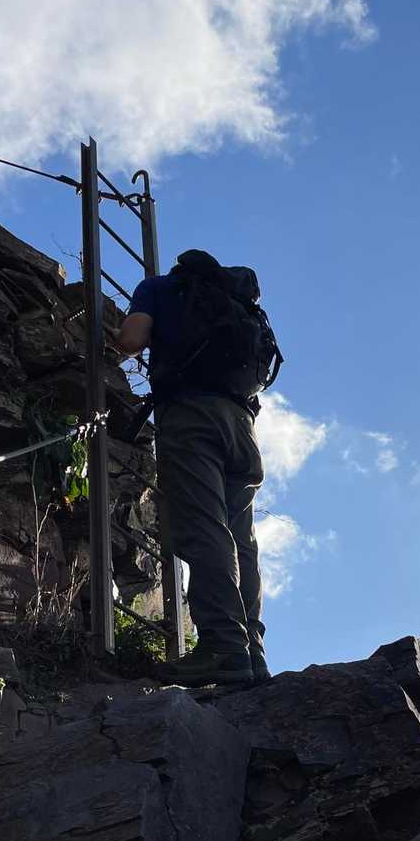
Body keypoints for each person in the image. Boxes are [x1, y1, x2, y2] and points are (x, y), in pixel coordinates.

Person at [117, 252, 271, 687]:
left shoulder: (159, 288)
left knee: (205, 529)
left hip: (191, 419)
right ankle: (252, 652)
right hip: (242, 426)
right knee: (242, 539)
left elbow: (131, 340)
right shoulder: (237, 306)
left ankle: (223, 648)